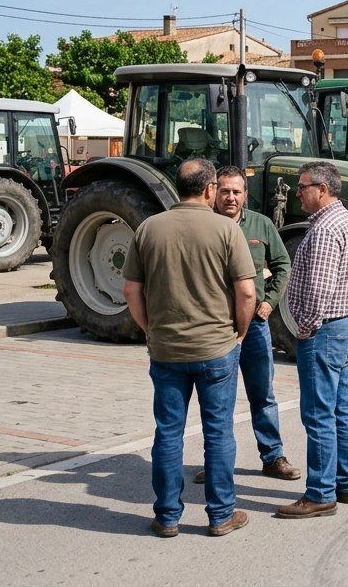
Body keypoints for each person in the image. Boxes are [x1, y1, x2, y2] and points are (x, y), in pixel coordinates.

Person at [123, 159, 255, 538]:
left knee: (167, 432)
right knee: (218, 432)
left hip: (166, 350)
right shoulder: (226, 230)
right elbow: (246, 290)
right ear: (211, 189)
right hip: (216, 348)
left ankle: (167, 516)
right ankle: (221, 515)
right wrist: (239, 331)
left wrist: (152, 329)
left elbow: (131, 289)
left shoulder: (149, 228)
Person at [193, 166, 302, 485]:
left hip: (254, 324)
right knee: (216, 398)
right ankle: (216, 461)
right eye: (224, 191)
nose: (230, 197)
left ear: (245, 194)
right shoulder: (203, 225)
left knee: (262, 393)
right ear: (213, 192)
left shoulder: (261, 225)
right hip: (216, 326)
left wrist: (269, 302)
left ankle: (272, 456)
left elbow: (283, 264)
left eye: (236, 191)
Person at [277, 162, 348, 520]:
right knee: (341, 409)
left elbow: (319, 288)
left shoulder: (326, 228)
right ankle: (346, 483)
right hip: (347, 326)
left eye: (302, 187)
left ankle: (319, 493)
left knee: (318, 414)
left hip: (326, 330)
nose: (297, 193)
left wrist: (306, 326)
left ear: (322, 189)